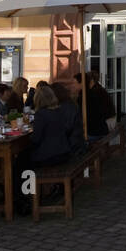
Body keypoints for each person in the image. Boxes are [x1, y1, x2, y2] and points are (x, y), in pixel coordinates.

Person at [14, 84, 73, 212]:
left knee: (21, 163)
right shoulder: (59, 111)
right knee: (24, 159)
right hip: (62, 152)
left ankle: (25, 197)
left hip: (49, 156)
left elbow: (36, 139)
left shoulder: (42, 114)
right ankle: (27, 194)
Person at [74, 72, 115, 141]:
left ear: (92, 81)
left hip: (102, 127)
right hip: (104, 125)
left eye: (88, 81)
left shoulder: (94, 93)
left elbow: (94, 115)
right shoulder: (97, 90)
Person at [52, 80, 84, 156]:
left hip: (72, 145)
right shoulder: (67, 104)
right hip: (73, 141)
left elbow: (66, 129)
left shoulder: (66, 106)